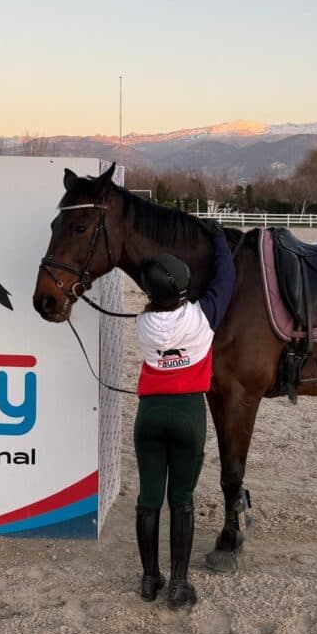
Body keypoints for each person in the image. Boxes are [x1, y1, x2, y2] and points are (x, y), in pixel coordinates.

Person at [133, 227, 235, 609]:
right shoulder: (201, 318)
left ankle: (148, 579)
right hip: (189, 413)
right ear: (181, 291)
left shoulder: (143, 325)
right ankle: (178, 583)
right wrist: (220, 243)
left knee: (148, 498)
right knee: (182, 500)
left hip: (149, 416)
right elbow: (225, 280)